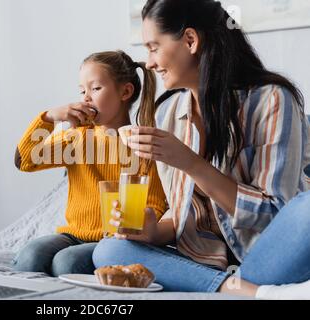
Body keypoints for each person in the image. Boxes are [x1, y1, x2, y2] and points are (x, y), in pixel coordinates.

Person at [93, 0, 310, 299]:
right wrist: (155, 231)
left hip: (263, 257)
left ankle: (244, 285)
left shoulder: (272, 100)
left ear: (191, 41)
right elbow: (184, 211)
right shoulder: (166, 113)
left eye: (154, 47)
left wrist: (190, 162)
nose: (150, 63)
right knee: (108, 250)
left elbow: (275, 215)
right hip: (202, 264)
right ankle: (245, 292)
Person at [12, 50, 167, 277]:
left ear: (125, 92)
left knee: (67, 262)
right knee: (30, 256)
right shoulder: (78, 138)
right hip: (74, 235)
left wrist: (128, 222)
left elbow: (155, 207)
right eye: (82, 91)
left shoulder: (142, 144)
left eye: (95, 89)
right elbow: (24, 160)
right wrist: (48, 118)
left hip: (116, 240)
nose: (86, 98)